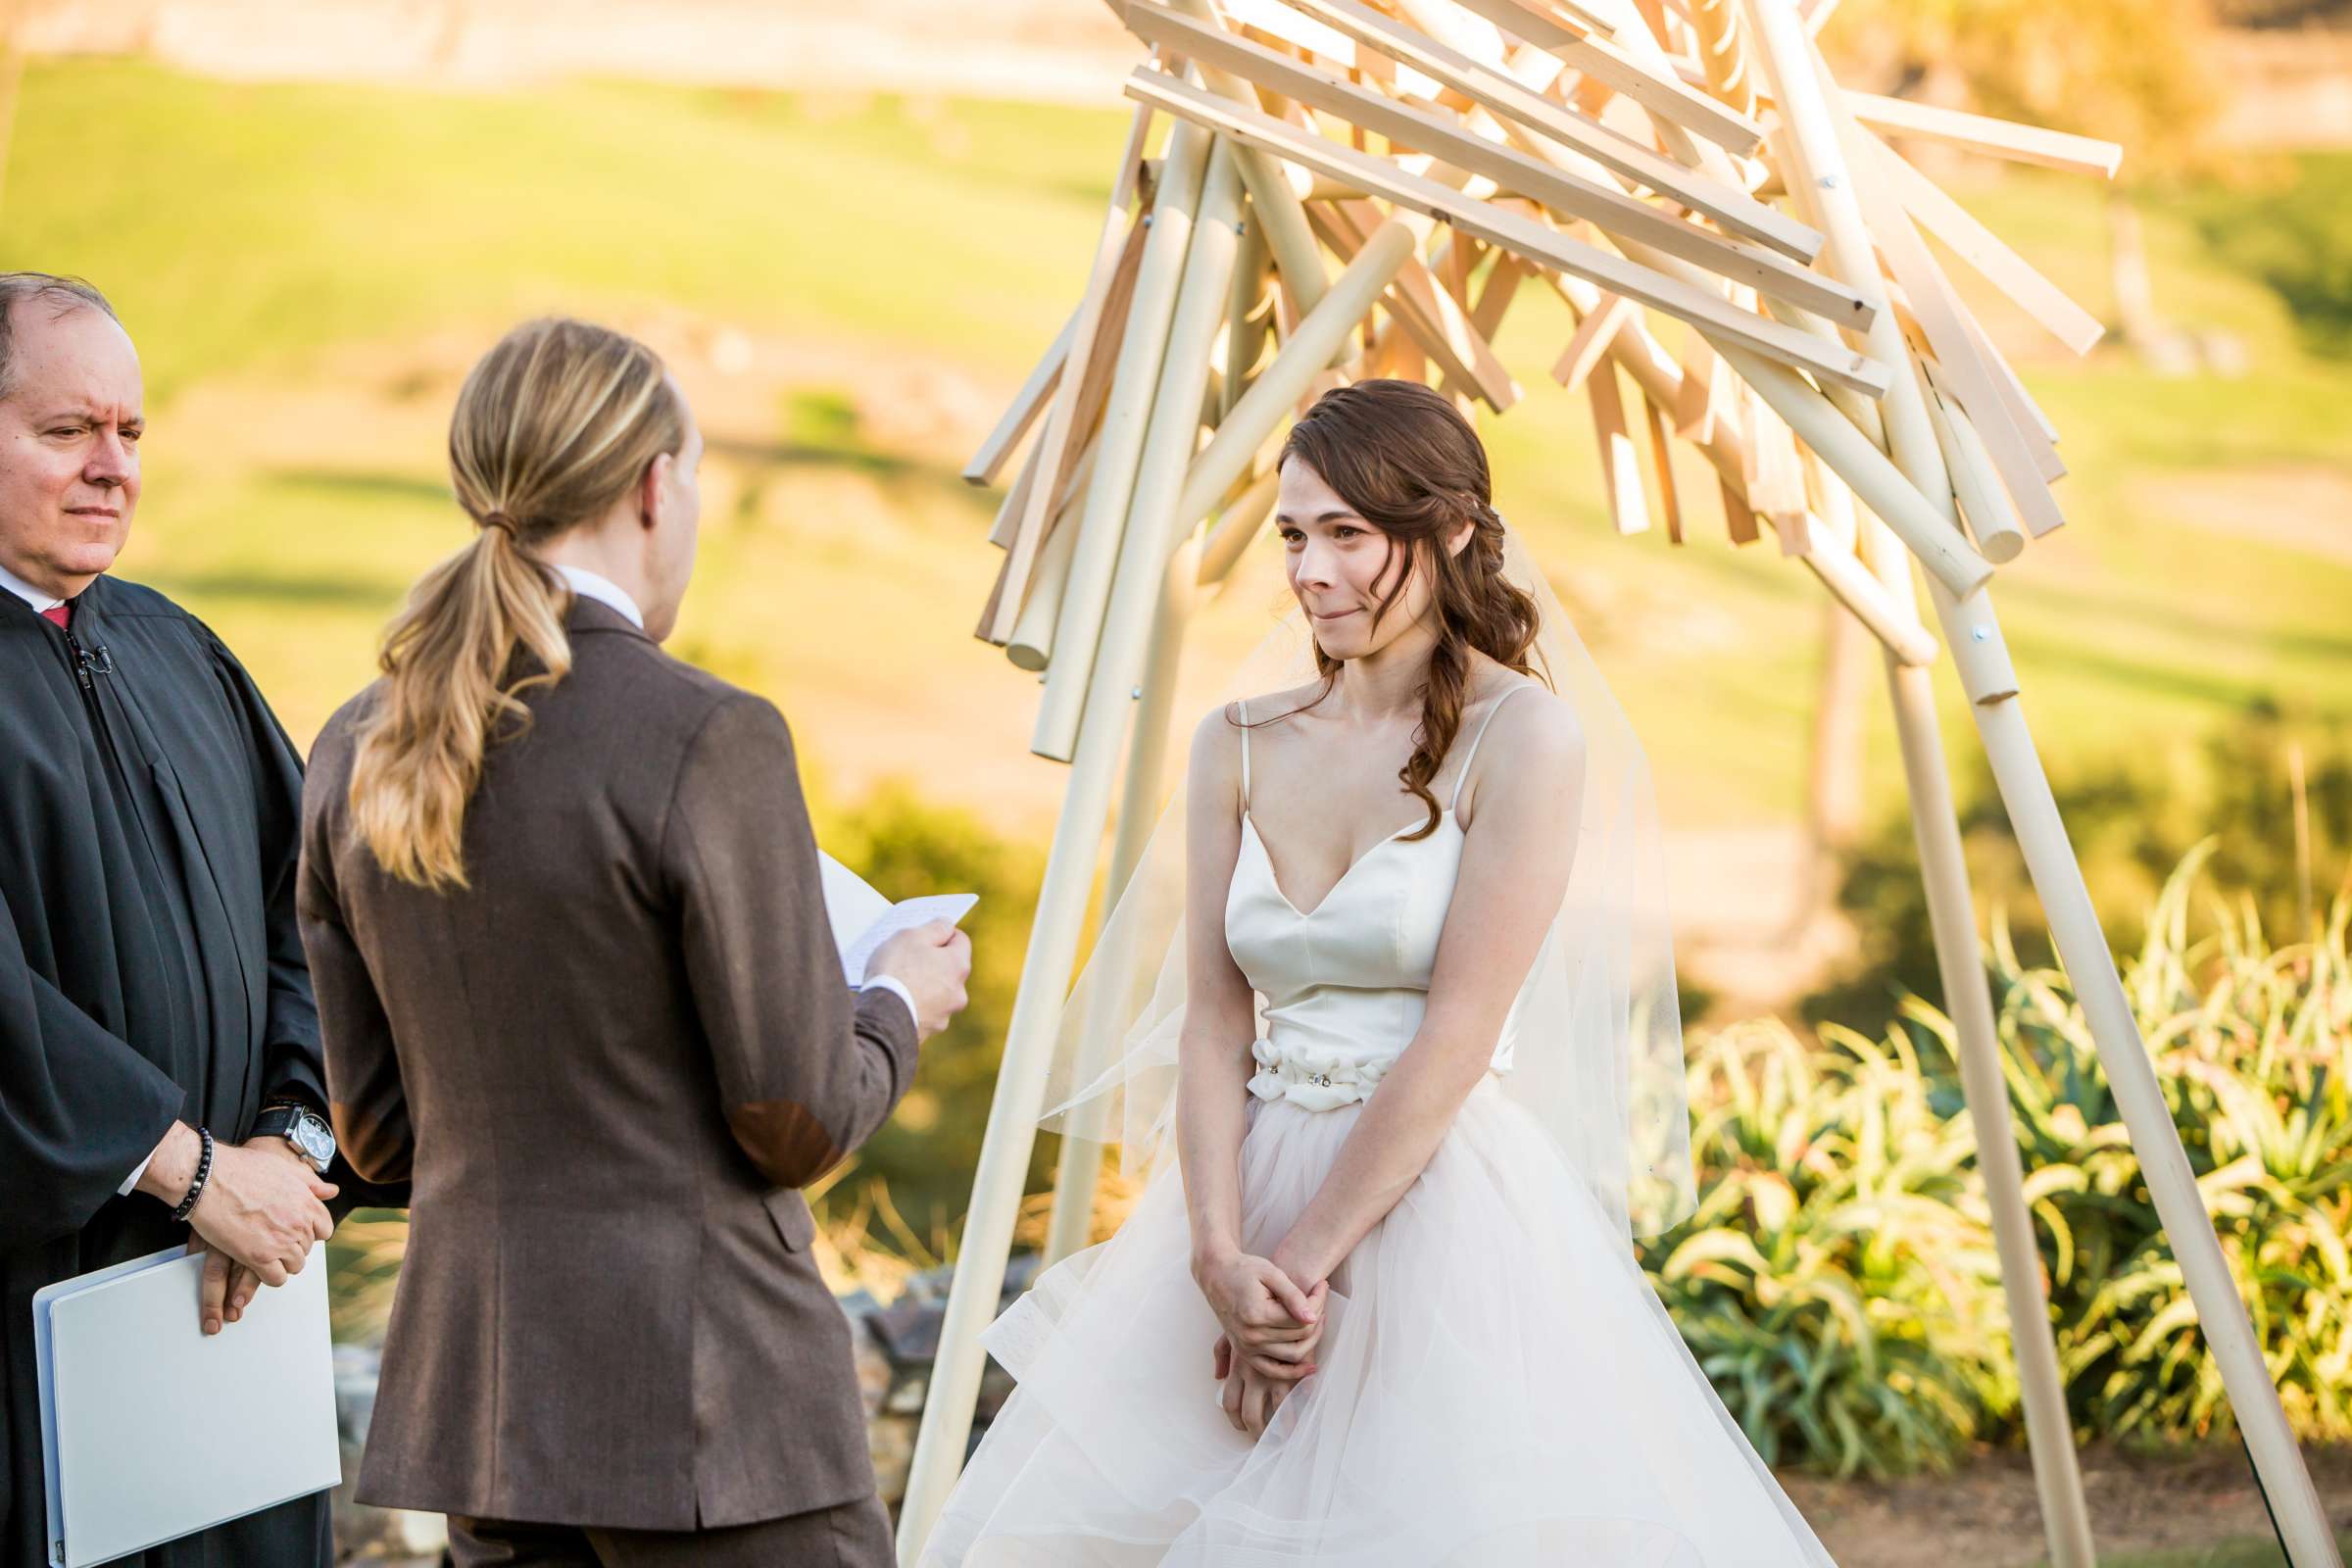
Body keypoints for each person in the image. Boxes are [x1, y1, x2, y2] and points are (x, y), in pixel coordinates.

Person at [918, 380, 1838, 1565]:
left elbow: (1457, 1034)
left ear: (1452, 529)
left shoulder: (1526, 741)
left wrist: (1294, 1279)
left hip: (1431, 1204)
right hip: (1237, 1199)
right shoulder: (1235, 743)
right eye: (1297, 535)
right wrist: (1215, 1254)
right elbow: (1213, 1023)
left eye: (1349, 533)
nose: (1311, 571)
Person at [298, 317, 971, 1567]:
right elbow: (799, 1119)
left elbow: (379, 1134)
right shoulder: (706, 736)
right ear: (655, 486)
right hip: (716, 1421)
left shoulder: (354, 744)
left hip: (489, 1427)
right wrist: (892, 997)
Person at [0, 272, 352, 1568]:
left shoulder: (176, 645)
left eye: (131, 435)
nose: (110, 468)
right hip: (36, 1327)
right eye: (65, 433)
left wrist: (286, 1146)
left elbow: (313, 917)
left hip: (230, 1321)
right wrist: (191, 1176)